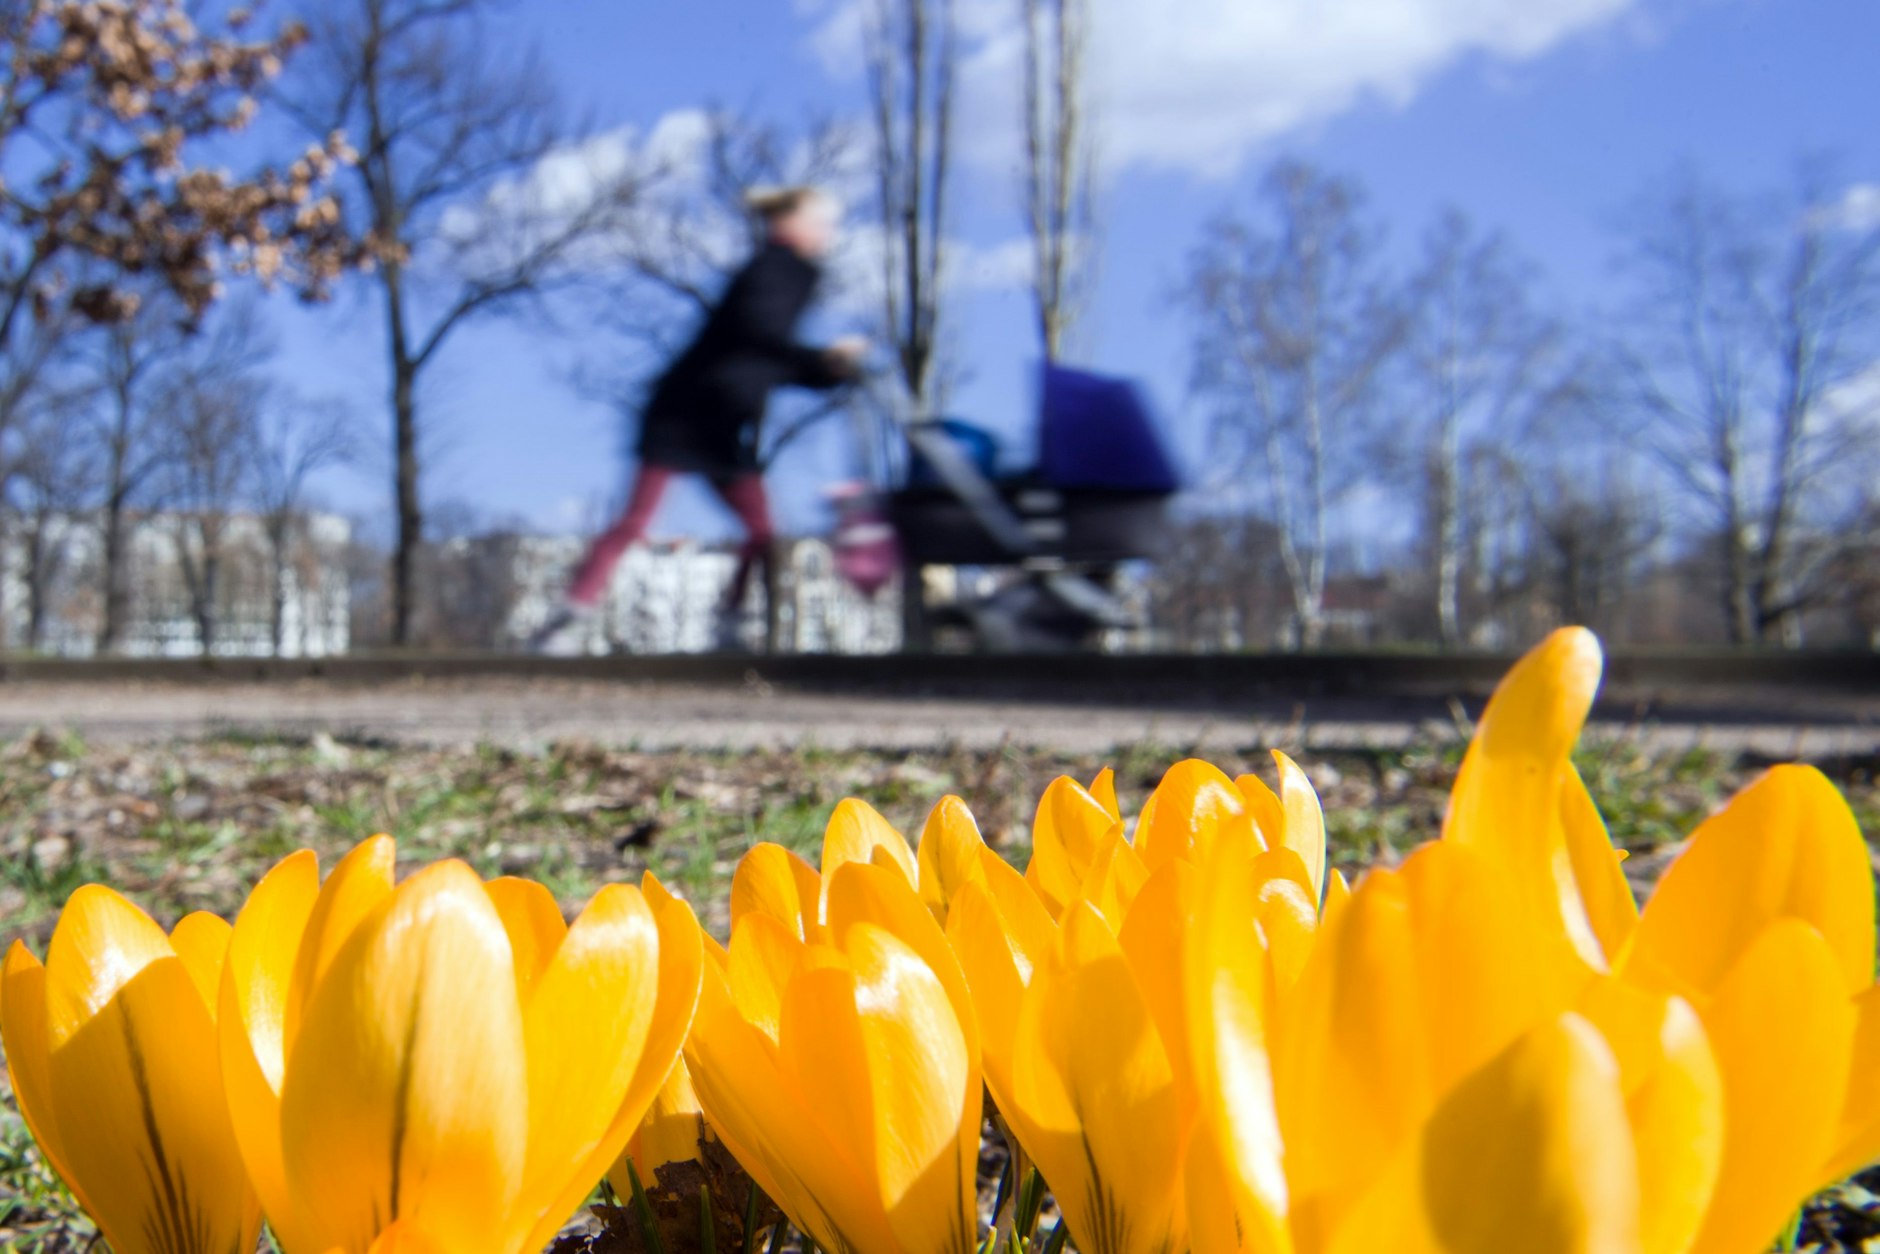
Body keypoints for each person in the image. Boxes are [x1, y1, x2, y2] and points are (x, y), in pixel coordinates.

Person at [532, 186, 865, 654]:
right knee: (636, 521)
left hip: (722, 422)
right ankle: (566, 621)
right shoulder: (779, 269)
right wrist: (822, 359)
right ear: (789, 222)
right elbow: (759, 334)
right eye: (821, 221)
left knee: (762, 532)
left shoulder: (788, 272)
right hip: (685, 413)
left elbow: (765, 357)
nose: (828, 232)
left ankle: (727, 624)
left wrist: (826, 371)